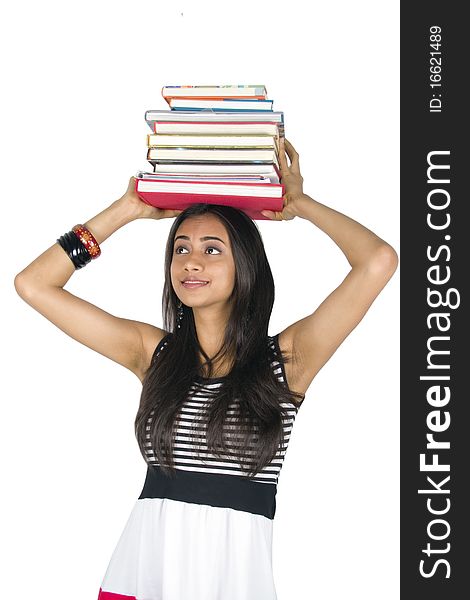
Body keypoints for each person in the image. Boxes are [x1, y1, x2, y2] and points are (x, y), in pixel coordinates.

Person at [14, 138, 398, 600]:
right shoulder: (151, 353)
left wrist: (301, 203)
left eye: (212, 250)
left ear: (246, 265)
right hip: (142, 576)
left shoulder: (288, 361)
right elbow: (33, 284)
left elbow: (378, 261)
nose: (191, 261)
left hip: (232, 583)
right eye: (181, 248)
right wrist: (125, 210)